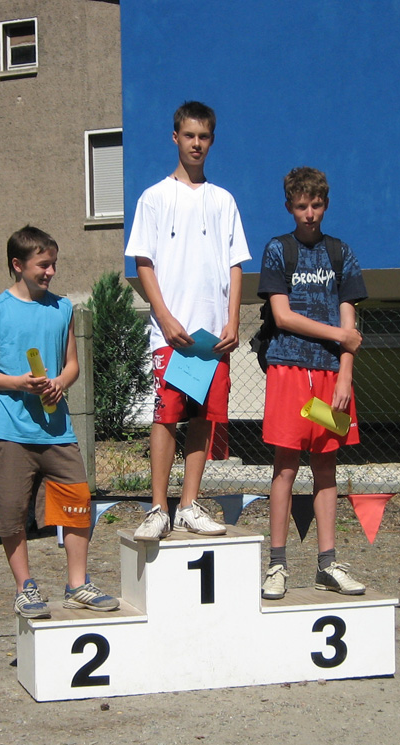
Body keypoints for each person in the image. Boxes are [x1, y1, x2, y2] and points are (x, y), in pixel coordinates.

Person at [0, 226, 119, 618]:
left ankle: (77, 585)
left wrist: (60, 384)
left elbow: (72, 365)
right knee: (11, 512)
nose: (51, 271)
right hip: (9, 431)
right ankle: (25, 588)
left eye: (53, 264)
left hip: (57, 430)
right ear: (18, 265)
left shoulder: (63, 308)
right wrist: (18, 383)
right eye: (43, 265)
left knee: (77, 502)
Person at [125, 100, 251, 540]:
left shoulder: (223, 200)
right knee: (165, 417)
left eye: (204, 136)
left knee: (203, 418)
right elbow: (143, 261)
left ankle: (188, 505)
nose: (196, 143)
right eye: (189, 135)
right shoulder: (155, 197)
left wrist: (233, 321)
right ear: (175, 137)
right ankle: (158, 508)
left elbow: (236, 264)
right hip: (171, 336)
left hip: (212, 337)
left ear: (212, 141)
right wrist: (163, 316)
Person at [258, 167, 367, 599]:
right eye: (301, 206)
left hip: (331, 377)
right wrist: (339, 335)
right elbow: (282, 316)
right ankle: (277, 565)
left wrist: (345, 374)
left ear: (326, 204)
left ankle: (328, 564)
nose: (309, 213)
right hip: (288, 371)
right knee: (285, 466)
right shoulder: (277, 250)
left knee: (325, 467)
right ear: (289, 206)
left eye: (316, 205)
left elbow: (349, 325)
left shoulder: (341, 253)